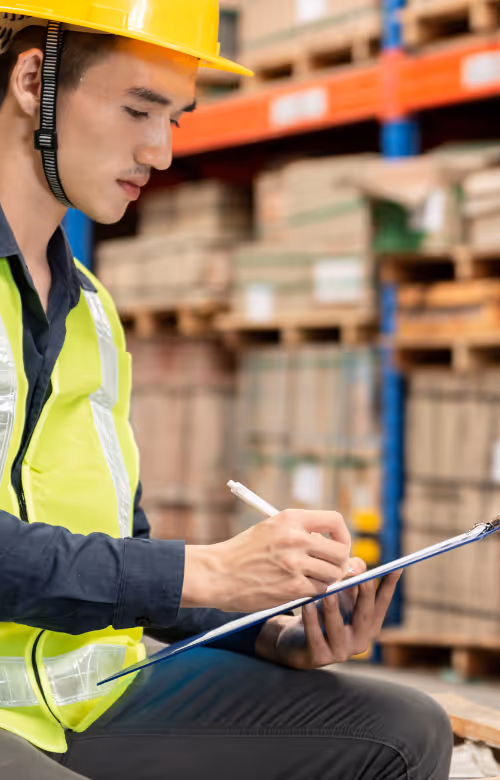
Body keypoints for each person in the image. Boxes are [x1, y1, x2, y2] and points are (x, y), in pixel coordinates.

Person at [0, 2, 453, 778]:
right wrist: (203, 568)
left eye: (175, 118)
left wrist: (270, 620)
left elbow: (122, 556)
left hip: (80, 701)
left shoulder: (95, 316)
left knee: (401, 731)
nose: (162, 151)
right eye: (140, 108)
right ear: (33, 79)